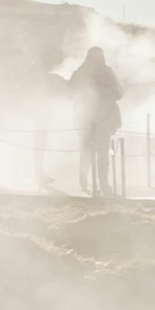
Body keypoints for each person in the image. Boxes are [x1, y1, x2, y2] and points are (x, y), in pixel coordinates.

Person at [68, 44, 124, 197]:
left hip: (104, 118)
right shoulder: (79, 73)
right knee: (86, 150)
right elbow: (70, 92)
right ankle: (84, 179)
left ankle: (104, 184)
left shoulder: (108, 73)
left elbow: (119, 93)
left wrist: (102, 92)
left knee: (103, 152)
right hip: (85, 116)